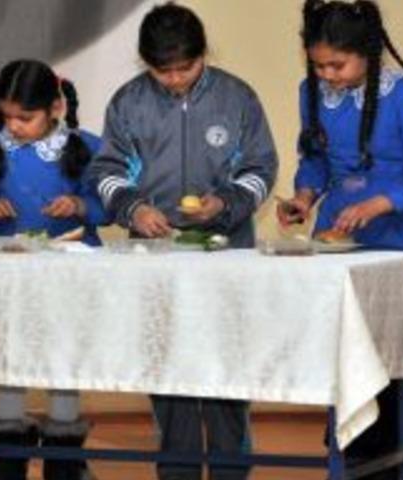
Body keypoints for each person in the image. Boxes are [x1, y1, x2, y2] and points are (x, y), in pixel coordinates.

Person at [277, 1, 403, 478]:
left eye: (336, 65)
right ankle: (350, 457)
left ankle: (393, 463)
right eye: (318, 65)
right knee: (347, 354)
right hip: (341, 236)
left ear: (366, 53)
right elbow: (317, 159)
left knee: (396, 364)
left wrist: (378, 204)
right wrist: (304, 197)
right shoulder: (313, 91)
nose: (327, 75)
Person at [88, 3, 278, 479]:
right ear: (145, 64)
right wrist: (135, 209)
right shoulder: (128, 103)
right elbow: (107, 172)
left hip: (225, 252)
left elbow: (260, 169)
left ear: (204, 55)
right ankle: (177, 471)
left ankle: (233, 468)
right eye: (162, 71)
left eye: (185, 68)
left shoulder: (238, 99)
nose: (174, 80)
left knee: (227, 365)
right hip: (154, 257)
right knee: (167, 365)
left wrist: (228, 202)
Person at [0, 58, 107, 480]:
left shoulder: (89, 147)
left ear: (56, 108)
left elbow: (107, 207)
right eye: (6, 116)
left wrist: (81, 206)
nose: (14, 126)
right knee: (9, 350)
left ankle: (65, 451)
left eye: (25, 117)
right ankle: (6, 451)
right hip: (9, 269)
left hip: (70, 272)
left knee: (65, 353)